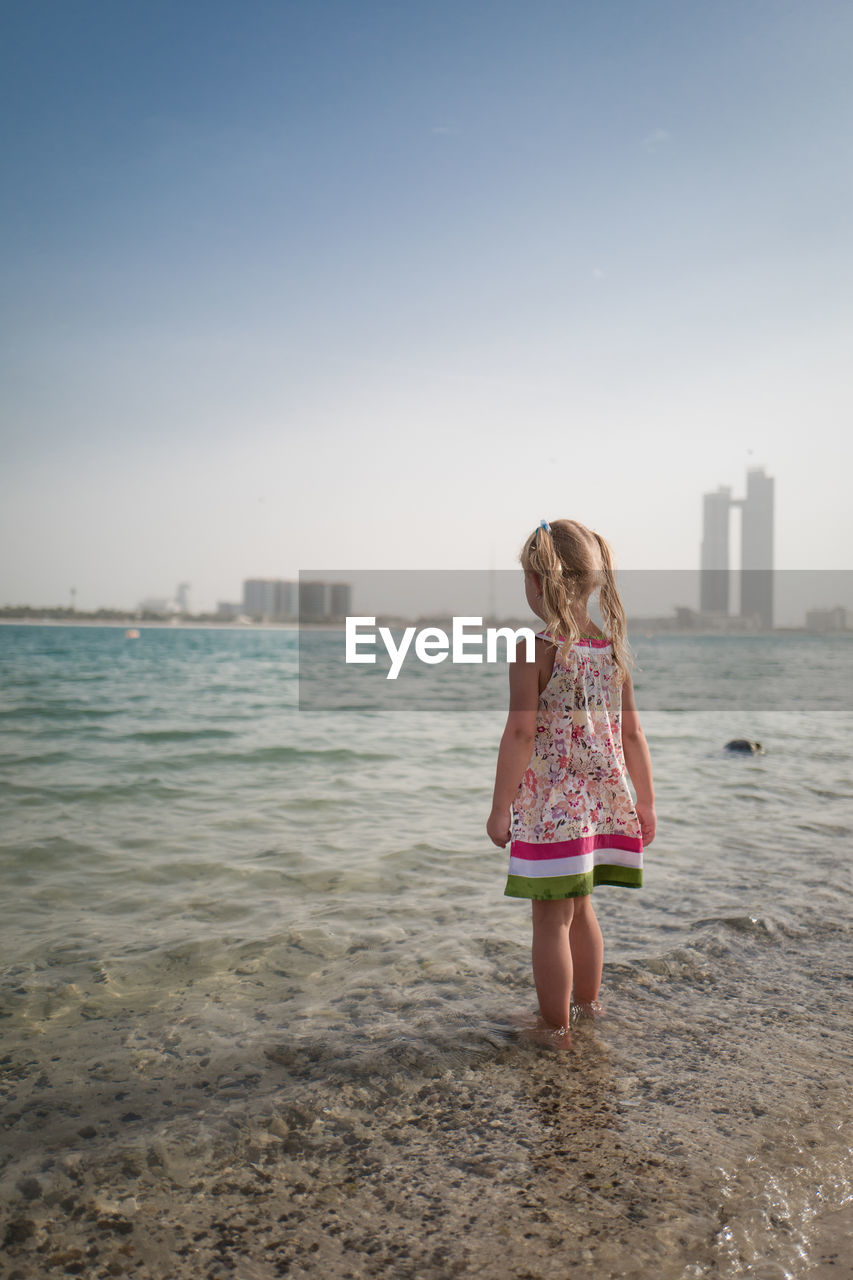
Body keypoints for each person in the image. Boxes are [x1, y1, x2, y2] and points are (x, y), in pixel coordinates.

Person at [486, 519, 656, 1039]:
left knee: (549, 920)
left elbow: (519, 732)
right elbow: (632, 734)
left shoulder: (533, 648)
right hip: (602, 802)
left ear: (539, 582)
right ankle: (589, 1007)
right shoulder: (610, 648)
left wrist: (499, 809)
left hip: (552, 806)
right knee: (582, 909)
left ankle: (553, 1025)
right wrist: (645, 804)